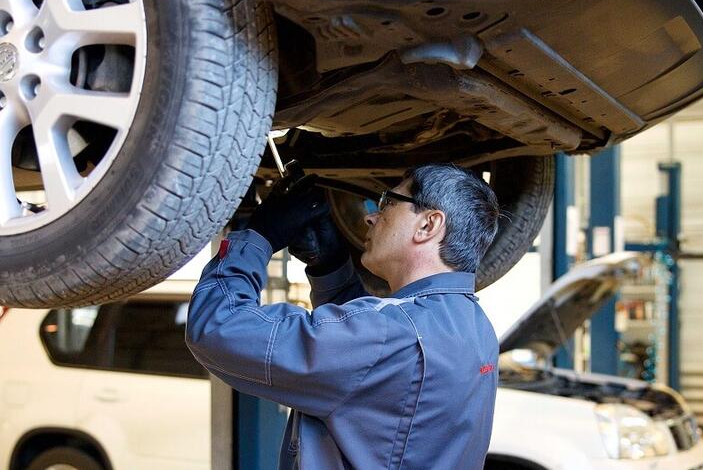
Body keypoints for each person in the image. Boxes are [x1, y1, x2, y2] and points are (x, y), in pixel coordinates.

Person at [186, 163, 501, 469]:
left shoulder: (388, 334)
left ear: (428, 225)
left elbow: (218, 327)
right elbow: (372, 376)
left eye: (388, 203)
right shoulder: (475, 326)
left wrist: (259, 235)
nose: (370, 217)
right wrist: (330, 264)